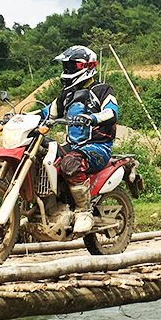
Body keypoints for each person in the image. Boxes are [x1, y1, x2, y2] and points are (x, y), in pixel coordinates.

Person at [41, 45, 118, 233]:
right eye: (65, 67)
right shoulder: (66, 95)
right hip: (74, 146)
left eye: (71, 67)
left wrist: (93, 118)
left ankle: (84, 211)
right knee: (41, 155)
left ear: (86, 67)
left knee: (70, 163)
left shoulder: (102, 90)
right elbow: (47, 113)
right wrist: (18, 116)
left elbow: (112, 112)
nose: (66, 71)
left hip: (98, 148)